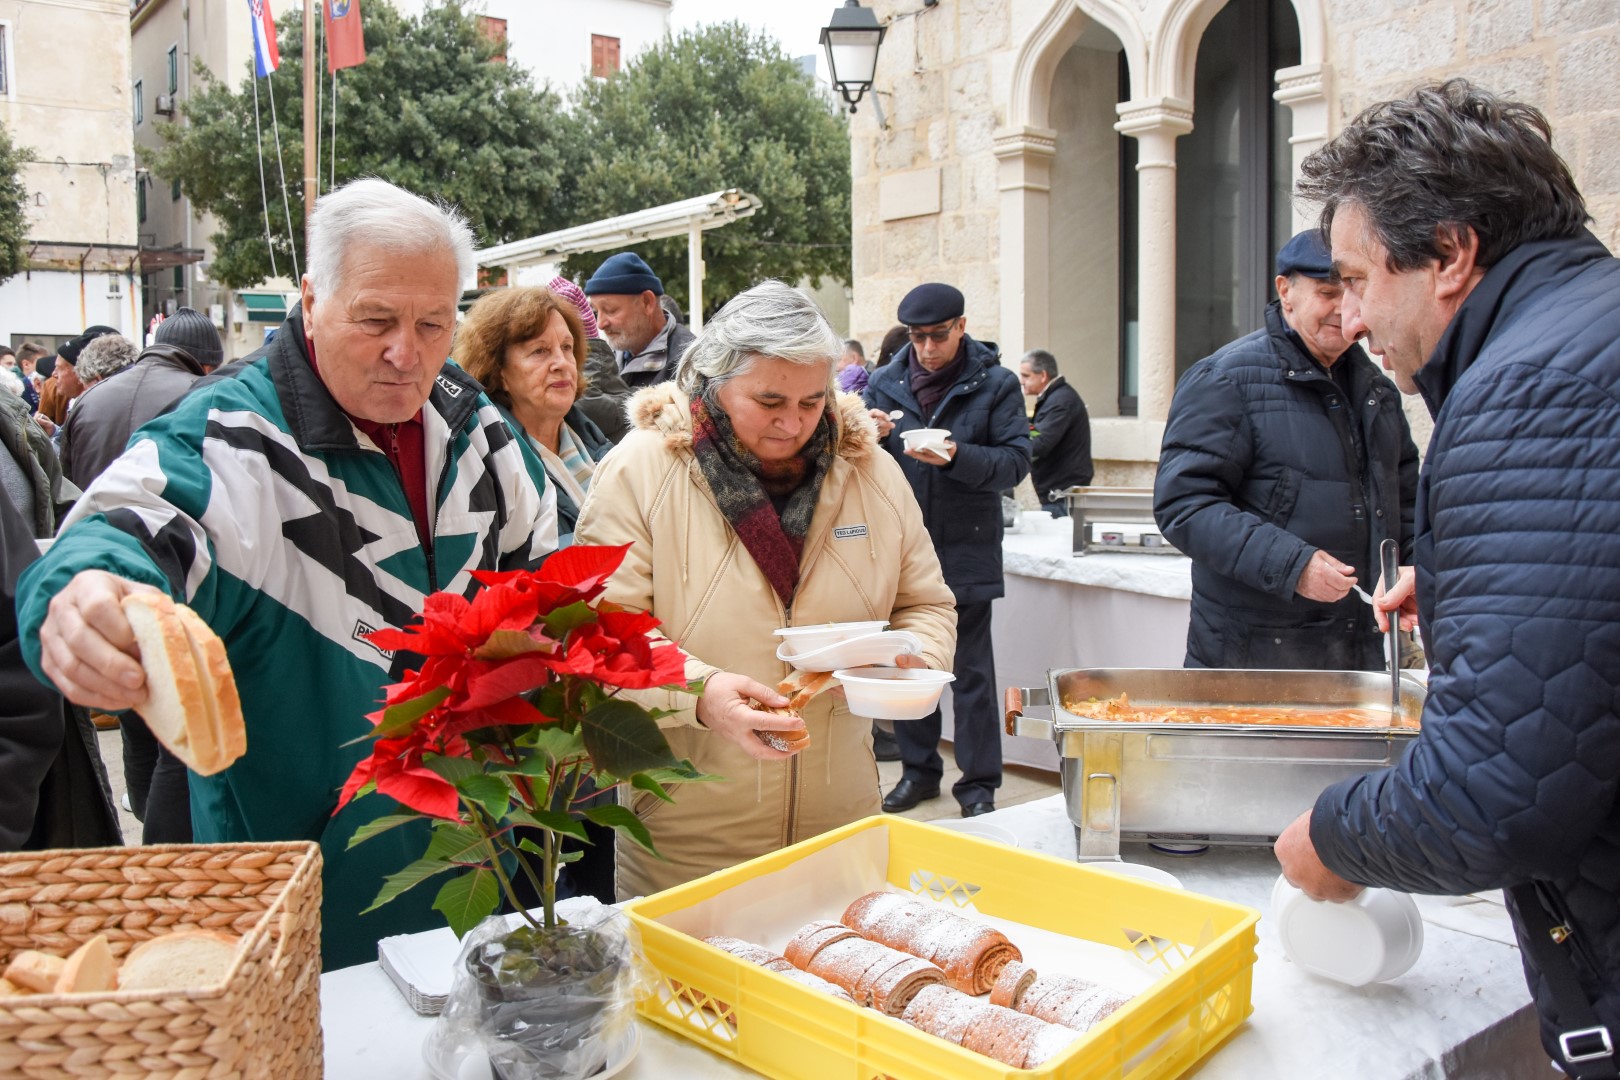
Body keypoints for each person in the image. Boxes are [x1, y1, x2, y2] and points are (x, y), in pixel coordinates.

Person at [16, 177, 558, 969]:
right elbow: (117, 531)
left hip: (480, 878)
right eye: (375, 320)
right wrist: (82, 599)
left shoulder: (476, 426)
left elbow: (557, 596)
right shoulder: (229, 437)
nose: (406, 353)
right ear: (310, 299)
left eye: (434, 323)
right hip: (299, 911)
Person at [1267, 80, 1620, 1077]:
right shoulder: (1589, 330)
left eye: (1359, 277)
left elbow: (1494, 799)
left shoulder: (1533, 388)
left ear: (1453, 254)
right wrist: (1476, 578)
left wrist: (1332, 839)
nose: (1352, 314)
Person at [574, 280, 957, 897]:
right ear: (713, 380)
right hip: (689, 833)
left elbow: (926, 602)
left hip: (842, 827)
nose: (794, 423)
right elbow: (600, 630)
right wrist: (702, 694)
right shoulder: (641, 469)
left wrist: (916, 659)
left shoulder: (871, 469)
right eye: (769, 400)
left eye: (812, 401)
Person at [1153, 229, 1418, 671]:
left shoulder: (1378, 390)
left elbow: (1406, 501)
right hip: (1253, 657)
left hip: (1360, 652)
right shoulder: (1224, 379)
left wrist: (1413, 571)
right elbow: (1184, 506)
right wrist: (1294, 565)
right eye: (1327, 292)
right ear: (1285, 292)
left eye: (1352, 292)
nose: (1342, 309)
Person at [54, 309, 224, 843]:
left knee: (135, 727)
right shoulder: (211, 398)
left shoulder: (90, 401)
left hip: (107, 587)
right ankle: (169, 860)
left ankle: (148, 838)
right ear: (206, 360)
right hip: (186, 591)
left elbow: (67, 495)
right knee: (182, 739)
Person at [863, 283, 1031, 818]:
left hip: (967, 546)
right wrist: (866, 433)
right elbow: (854, 460)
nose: (928, 348)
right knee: (907, 668)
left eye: (938, 335)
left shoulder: (997, 384)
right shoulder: (884, 382)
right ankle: (918, 773)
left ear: (961, 326)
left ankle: (979, 786)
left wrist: (956, 456)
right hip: (901, 550)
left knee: (973, 673)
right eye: (918, 337)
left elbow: (1014, 464)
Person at [454, 288, 613, 547]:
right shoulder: (486, 465)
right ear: (498, 371)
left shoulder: (597, 439)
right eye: (540, 351)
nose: (561, 362)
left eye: (567, 347)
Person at [60, 308, 222, 494]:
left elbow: (66, 487)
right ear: (208, 366)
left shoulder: (89, 399)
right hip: (171, 521)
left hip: (92, 519)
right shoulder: (207, 396)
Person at [580, 253, 695, 434]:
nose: (600, 323)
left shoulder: (689, 361)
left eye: (610, 310)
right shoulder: (615, 350)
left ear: (647, 302)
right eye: (596, 312)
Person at [1017, 349, 1093, 516]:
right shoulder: (1054, 398)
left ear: (1043, 375)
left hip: (1061, 493)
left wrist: (1013, 442)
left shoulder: (1060, 401)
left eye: (1026, 376)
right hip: (1058, 491)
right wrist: (1024, 426)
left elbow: (1041, 442)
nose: (1021, 381)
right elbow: (1038, 431)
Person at [35, 327, 114, 432]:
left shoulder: (100, 409)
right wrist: (55, 432)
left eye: (59, 368)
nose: (53, 374)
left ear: (80, 372)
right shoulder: (79, 403)